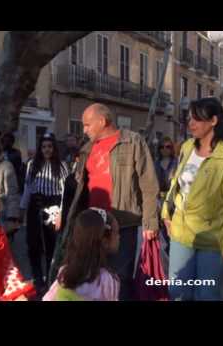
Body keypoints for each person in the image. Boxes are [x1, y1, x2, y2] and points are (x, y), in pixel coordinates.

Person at [51, 103, 160, 301]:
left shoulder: (132, 141)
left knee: (120, 278)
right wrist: (65, 214)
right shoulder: (86, 149)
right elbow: (78, 189)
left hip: (123, 223)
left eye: (86, 125)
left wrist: (151, 222)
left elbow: (149, 183)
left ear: (102, 122)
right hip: (92, 224)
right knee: (91, 278)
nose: (84, 130)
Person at [161, 98, 223, 301]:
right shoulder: (186, 147)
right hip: (181, 233)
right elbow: (177, 183)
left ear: (213, 121)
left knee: (206, 294)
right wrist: (167, 213)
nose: (190, 123)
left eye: (197, 119)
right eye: (189, 118)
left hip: (212, 239)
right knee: (178, 293)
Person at [20, 133, 69, 294]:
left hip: (54, 206)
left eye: (49, 147)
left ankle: (51, 279)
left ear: (54, 148)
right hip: (35, 205)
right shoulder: (32, 164)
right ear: (40, 149)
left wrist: (62, 213)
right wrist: (22, 208)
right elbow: (27, 187)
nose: (46, 150)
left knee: (51, 245)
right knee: (33, 244)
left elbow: (65, 192)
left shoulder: (61, 166)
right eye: (43, 147)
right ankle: (37, 278)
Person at [44, 208, 120, 301]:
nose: (119, 237)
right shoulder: (106, 281)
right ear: (104, 241)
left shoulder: (65, 272)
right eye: (116, 233)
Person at [155, 137, 178, 254]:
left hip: (172, 199)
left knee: (172, 227)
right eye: (162, 147)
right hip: (158, 199)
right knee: (161, 229)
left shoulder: (176, 163)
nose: (164, 149)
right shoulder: (156, 163)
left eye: (168, 147)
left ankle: (172, 250)